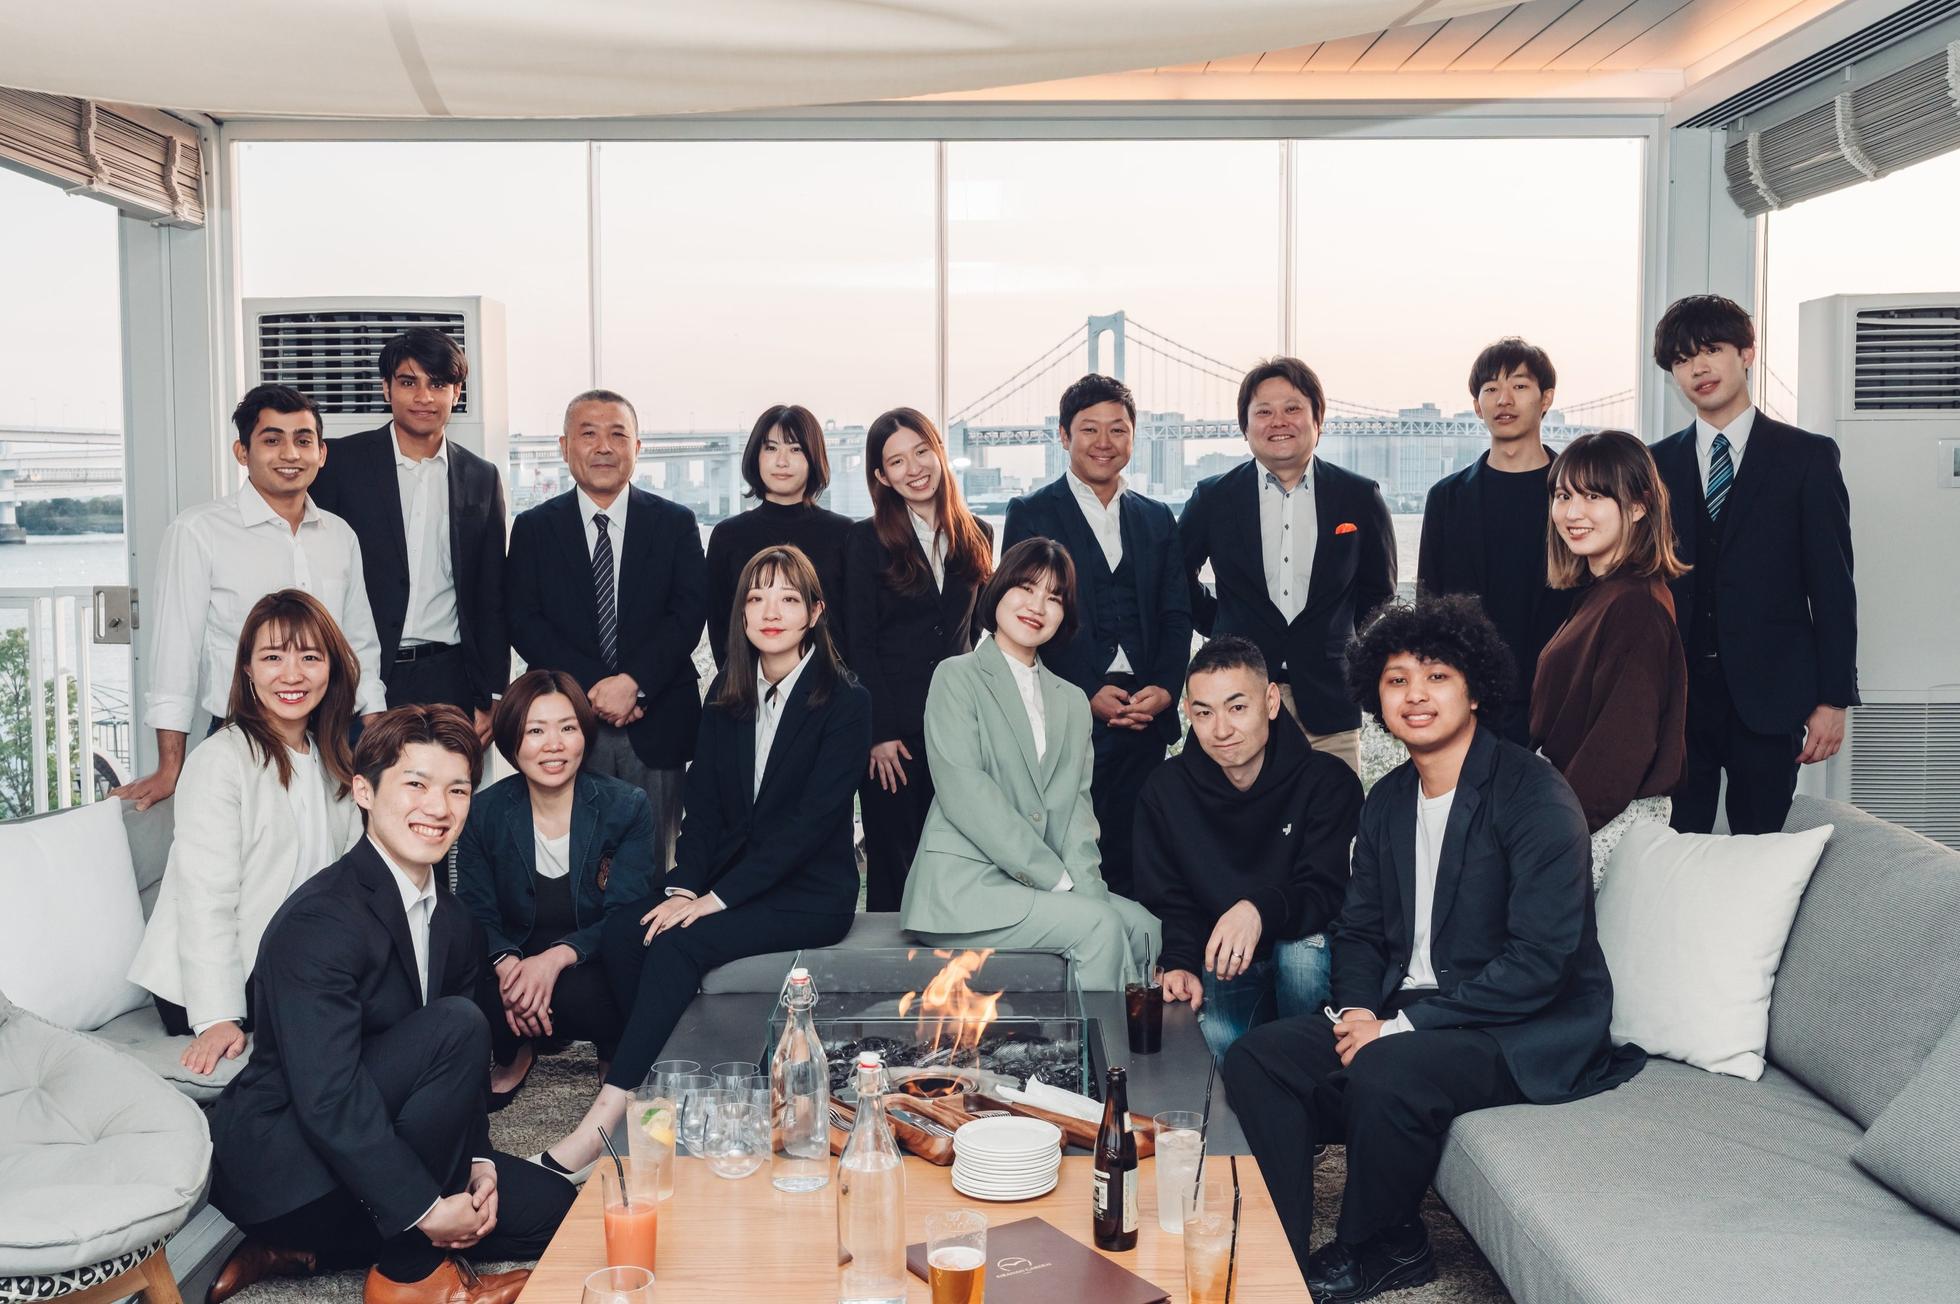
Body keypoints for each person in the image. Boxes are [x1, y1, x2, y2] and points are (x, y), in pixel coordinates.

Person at [1222, 598, 1642, 1301]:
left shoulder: (1534, 796)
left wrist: (1396, 1029)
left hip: (1518, 1024)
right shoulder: (1388, 800)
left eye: (1437, 676)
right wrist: (1359, 1011)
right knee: (1257, 1057)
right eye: (1396, 680)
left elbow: (1539, 962)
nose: (1415, 695)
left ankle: (1381, 1248)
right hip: (1407, 1010)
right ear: (1376, 698)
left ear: (1475, 691)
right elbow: (1360, 929)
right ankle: (1279, 1245)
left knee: (1387, 1065)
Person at [205, 706, 574, 1304]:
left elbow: (455, 1077)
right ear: (364, 792)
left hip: (383, 1137)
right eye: (416, 785)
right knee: (458, 1025)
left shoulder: (456, 923)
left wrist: (478, 1159)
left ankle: (304, 1255)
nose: (439, 808)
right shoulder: (320, 920)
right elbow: (328, 1098)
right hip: (289, 1161)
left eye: (457, 790)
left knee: (557, 1211)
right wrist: (427, 1209)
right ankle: (412, 1275)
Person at [531, 545, 869, 1178]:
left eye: (788, 598)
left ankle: (602, 1125)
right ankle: (657, 1093)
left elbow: (808, 828)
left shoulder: (845, 701)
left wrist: (714, 901)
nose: (771, 612)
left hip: (809, 894)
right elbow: (705, 811)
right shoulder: (727, 693)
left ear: (815, 612)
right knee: (630, 930)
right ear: (741, 614)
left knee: (678, 946)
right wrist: (684, 887)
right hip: (728, 879)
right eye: (757, 598)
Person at [899, 538, 1160, 991]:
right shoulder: (956, 676)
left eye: (1054, 597)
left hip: (1037, 887)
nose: (1037, 606)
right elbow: (967, 795)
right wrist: (1058, 880)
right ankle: (1102, 1040)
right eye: (1026, 587)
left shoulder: (1072, 701)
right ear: (999, 590)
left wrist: (1089, 891)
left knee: (1144, 928)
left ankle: (1128, 1028)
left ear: (1065, 614)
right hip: (966, 886)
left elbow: (1077, 814)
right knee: (1099, 927)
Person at [115, 385, 387, 810]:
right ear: (242, 452)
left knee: (339, 847)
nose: (290, 454)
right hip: (244, 732)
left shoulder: (340, 534)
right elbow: (175, 653)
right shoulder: (198, 532)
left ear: (321, 453)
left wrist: (375, 736)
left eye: (303, 441)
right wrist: (170, 766)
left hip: (335, 736)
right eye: (271, 440)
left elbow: (359, 643)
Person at [128, 589, 365, 1074]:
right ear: (248, 671)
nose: (292, 674)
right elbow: (204, 897)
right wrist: (217, 1016)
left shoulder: (335, 762)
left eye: (310, 657)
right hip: (211, 981)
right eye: (273, 657)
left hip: (299, 956)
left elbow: (352, 885)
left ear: (332, 670)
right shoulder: (220, 760)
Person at [1647, 294, 1858, 835]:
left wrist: (1833, 700)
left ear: (1746, 353)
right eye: (1682, 360)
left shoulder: (1807, 457)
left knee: (1763, 852)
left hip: (1771, 696)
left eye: (1711, 350)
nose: (1698, 368)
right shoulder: (1653, 464)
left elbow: (1833, 587)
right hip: (1677, 701)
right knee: (1673, 852)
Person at [1002, 374, 1192, 898]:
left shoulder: (1157, 517)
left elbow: (1176, 614)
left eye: (1118, 429)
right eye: (1089, 429)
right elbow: (1022, 621)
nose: (1104, 442)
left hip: (1145, 716)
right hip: (1067, 713)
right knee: (1069, 857)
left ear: (1133, 436)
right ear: (1064, 436)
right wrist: (1085, 692)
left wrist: (1166, 688)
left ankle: (1136, 952)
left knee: (1141, 858)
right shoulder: (1031, 513)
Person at [1133, 635, 1360, 1060]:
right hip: (1226, 964)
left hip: (1309, 957)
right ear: (1188, 712)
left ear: (1271, 702)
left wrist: (1257, 909)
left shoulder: (1328, 782)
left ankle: (1316, 1078)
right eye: (1204, 713)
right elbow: (1169, 898)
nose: (1221, 730)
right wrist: (1179, 961)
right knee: (1217, 1056)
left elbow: (1327, 890)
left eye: (1237, 708)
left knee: (1300, 955)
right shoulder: (1165, 792)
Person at [506, 389, 707, 869]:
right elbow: (523, 620)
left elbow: (688, 614)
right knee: (570, 862)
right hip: (568, 719)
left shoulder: (675, 523)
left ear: (637, 447)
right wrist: (597, 689)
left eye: (618, 435)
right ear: (564, 446)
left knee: (653, 863)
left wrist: (634, 683)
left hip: (657, 719)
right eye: (588, 434)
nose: (603, 447)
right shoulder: (534, 527)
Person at [1180, 357, 1397, 777]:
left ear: (1319, 420)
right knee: (1237, 816)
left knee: (1335, 813)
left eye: (1293, 408)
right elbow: (1176, 578)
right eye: (1263, 411)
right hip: (1236, 700)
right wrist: (1222, 624)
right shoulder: (1213, 498)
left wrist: (1332, 635)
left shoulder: (1358, 496)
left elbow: (1379, 591)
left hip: (1329, 702)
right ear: (1245, 427)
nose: (1278, 421)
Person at [453, 669, 656, 1107]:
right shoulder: (483, 812)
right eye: (535, 731)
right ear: (512, 741)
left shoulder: (625, 807)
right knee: (475, 993)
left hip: (590, 964)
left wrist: (553, 960)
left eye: (567, 728)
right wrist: (509, 966)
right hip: (514, 964)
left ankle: (614, 1051)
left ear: (584, 734)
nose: (554, 745)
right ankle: (516, 1050)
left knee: (608, 988)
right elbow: (475, 910)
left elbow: (626, 914)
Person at [309, 328, 509, 735]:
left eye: (437, 384)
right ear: (386, 389)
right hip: (355, 674)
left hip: (448, 679)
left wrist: (492, 693)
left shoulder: (481, 477)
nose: (423, 397)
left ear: (456, 393)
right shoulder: (339, 463)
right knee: (354, 777)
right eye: (408, 383)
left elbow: (491, 594)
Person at [840, 407, 994, 911]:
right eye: (897, 461)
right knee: (895, 865)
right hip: (893, 740)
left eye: (922, 451)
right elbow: (858, 643)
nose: (915, 468)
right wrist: (879, 733)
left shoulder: (979, 534)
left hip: (958, 729)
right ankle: (894, 962)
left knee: (959, 859)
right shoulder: (864, 541)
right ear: (882, 477)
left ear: (940, 453)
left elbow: (971, 635)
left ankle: (955, 960)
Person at [1533, 431, 1689, 881]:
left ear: (1639, 506)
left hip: (1597, 828)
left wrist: (1547, 835)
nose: (1572, 513)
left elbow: (1620, 750)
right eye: (1564, 496)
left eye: (1594, 496)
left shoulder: (1635, 605)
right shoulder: (1604, 594)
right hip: (1575, 816)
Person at [1416, 337, 1573, 743]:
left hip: (1562, 700)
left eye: (1519, 386)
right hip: (1470, 703)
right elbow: (1429, 606)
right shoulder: (1446, 498)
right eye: (1491, 389)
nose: (1504, 400)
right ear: (1476, 405)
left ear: (1546, 398)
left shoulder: (1579, 496)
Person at [703, 403, 852, 668]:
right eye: (771, 448)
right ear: (756, 456)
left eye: (796, 449)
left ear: (813, 458)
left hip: (832, 685)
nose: (782, 461)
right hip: (749, 687)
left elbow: (855, 628)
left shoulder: (845, 533)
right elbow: (720, 628)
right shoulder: (727, 536)